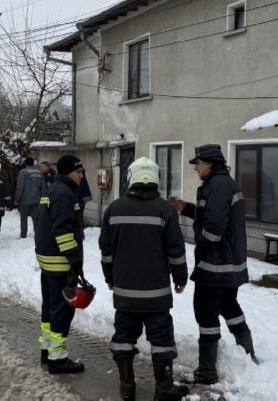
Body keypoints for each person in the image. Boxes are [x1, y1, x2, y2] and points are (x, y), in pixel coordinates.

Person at [99, 157, 190, 400]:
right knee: (161, 339)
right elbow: (176, 251)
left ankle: (127, 388)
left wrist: (109, 277)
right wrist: (181, 278)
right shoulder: (165, 210)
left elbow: (106, 251)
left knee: (123, 337)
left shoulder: (114, 209)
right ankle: (164, 388)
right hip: (156, 294)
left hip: (125, 291)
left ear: (131, 177)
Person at [167, 144, 257, 385]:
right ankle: (248, 354)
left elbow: (215, 225)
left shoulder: (217, 185)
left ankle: (207, 371)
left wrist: (204, 246)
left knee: (205, 311)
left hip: (216, 263)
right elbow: (211, 214)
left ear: (209, 163)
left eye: (198, 163)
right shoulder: (222, 183)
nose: (195, 168)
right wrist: (185, 207)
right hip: (228, 263)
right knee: (228, 305)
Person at [34, 154, 86, 374]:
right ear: (68, 173)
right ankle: (58, 359)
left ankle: (47, 350)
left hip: (47, 259)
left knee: (49, 307)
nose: (81, 176)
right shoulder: (65, 194)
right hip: (59, 262)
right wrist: (75, 259)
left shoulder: (52, 189)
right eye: (78, 172)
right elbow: (63, 230)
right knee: (61, 311)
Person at [15, 157, 45, 238]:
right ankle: (38, 234)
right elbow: (43, 187)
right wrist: (42, 198)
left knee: (23, 218)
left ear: (25, 164)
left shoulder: (23, 172)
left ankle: (23, 234)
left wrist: (17, 198)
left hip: (24, 200)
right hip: (36, 199)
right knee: (36, 218)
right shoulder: (39, 172)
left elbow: (20, 186)